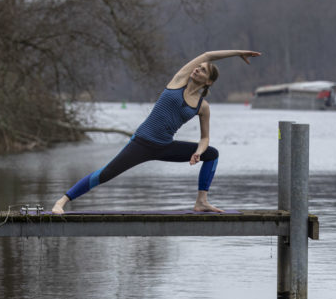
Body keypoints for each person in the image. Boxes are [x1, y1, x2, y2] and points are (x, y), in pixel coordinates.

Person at [51, 49, 261, 214]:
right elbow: (207, 55)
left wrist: (198, 152)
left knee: (212, 154)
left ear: (209, 82)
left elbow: (205, 137)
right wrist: (238, 53)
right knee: (105, 174)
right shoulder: (178, 81)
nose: (197, 69)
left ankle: (201, 202)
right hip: (142, 143)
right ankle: (62, 201)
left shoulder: (202, 106)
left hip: (164, 147)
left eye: (203, 70)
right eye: (198, 67)